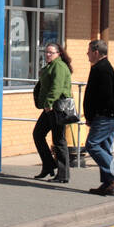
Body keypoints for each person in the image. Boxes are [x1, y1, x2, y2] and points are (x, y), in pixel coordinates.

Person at [83, 39, 114, 196]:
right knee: (105, 148)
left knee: (92, 145)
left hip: (106, 116)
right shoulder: (104, 67)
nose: (87, 54)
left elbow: (102, 96)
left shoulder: (101, 69)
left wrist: (93, 115)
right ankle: (108, 184)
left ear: (96, 52)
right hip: (110, 115)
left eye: (88, 51)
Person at [31, 43, 74, 183]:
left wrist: (48, 102)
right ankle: (49, 164)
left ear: (58, 53)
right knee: (38, 134)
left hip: (57, 107)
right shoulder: (50, 66)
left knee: (59, 140)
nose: (48, 54)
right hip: (49, 108)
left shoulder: (59, 66)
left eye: (51, 52)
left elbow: (57, 87)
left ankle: (63, 175)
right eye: (46, 52)